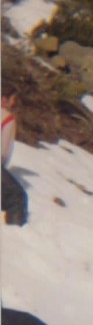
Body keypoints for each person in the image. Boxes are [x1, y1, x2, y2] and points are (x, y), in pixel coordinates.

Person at [2, 90, 28, 226]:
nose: (14, 103)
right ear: (4, 99)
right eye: (13, 99)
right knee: (17, 197)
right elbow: (4, 149)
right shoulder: (7, 118)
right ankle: (16, 234)